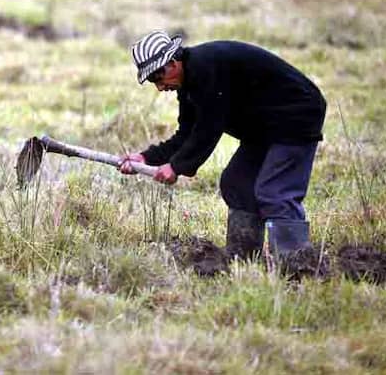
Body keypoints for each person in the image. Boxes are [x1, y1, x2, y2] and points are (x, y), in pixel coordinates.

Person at [118, 30, 327, 261]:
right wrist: (145, 158)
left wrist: (176, 167)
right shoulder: (188, 83)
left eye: (158, 77)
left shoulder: (205, 69)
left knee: (274, 193)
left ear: (173, 63)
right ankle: (243, 258)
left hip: (296, 115)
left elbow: (209, 128)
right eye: (152, 81)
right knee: (237, 184)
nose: (158, 87)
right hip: (264, 128)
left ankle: (295, 264)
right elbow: (187, 134)